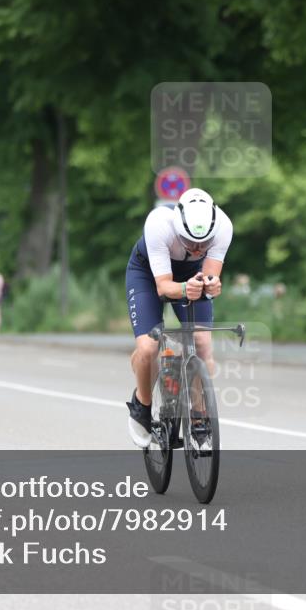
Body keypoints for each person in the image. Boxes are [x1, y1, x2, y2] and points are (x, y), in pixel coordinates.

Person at [124, 188, 231, 447]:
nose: (197, 248)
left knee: (203, 343)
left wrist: (212, 285)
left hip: (191, 275)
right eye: (189, 241)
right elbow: (163, 287)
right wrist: (186, 289)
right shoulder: (159, 224)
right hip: (148, 276)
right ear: (177, 226)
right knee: (148, 347)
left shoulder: (224, 227)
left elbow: (209, 276)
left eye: (203, 243)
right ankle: (142, 404)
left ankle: (199, 417)